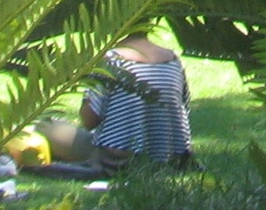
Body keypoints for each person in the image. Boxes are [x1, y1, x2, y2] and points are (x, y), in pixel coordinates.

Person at [40, 33, 193, 169]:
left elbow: (89, 120)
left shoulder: (111, 59)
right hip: (171, 156)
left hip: (117, 157)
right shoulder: (172, 59)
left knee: (44, 126)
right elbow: (183, 108)